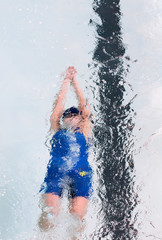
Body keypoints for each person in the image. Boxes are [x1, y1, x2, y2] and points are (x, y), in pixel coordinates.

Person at [38, 66, 93, 236]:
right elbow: (59, 104)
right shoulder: (57, 129)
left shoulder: (84, 130)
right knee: (49, 216)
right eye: (67, 115)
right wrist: (65, 81)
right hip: (56, 173)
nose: (70, 117)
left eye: (74, 115)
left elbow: (83, 104)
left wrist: (74, 81)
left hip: (82, 174)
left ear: (80, 118)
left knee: (76, 218)